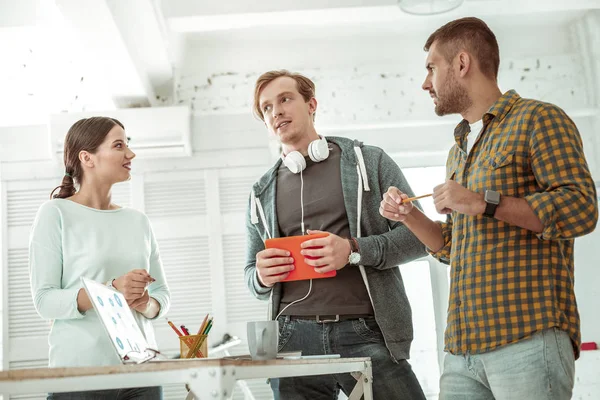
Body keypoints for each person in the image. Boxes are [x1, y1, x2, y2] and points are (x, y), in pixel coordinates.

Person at [379, 17, 598, 400]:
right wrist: (409, 216)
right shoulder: (458, 150)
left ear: (461, 64)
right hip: (463, 351)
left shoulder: (539, 119)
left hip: (528, 338)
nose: (425, 82)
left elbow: (581, 208)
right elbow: (454, 248)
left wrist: (483, 202)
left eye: (431, 67)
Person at [245, 70, 427, 399]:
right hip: (291, 337)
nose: (277, 111)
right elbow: (251, 276)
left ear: (311, 103)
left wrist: (354, 250)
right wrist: (261, 276)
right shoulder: (261, 192)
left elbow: (419, 239)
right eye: (267, 108)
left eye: (285, 99)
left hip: (366, 330)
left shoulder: (369, 162)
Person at [29, 117, 171, 400]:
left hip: (143, 371)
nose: (130, 154)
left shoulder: (138, 221)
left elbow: (162, 296)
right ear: (87, 158)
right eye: (119, 146)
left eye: (128, 145)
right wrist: (110, 291)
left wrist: (147, 303)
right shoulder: (55, 214)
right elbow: (45, 301)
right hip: (79, 376)